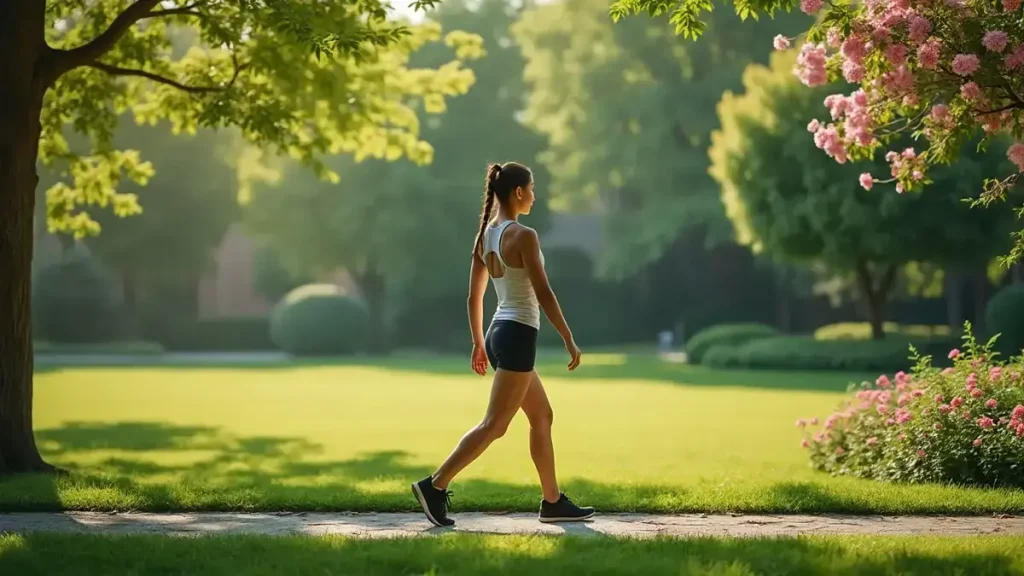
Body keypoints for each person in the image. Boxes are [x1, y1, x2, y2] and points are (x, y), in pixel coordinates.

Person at [411, 161, 595, 527]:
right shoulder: (523, 235)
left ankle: (552, 501)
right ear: (518, 192)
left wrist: (480, 344)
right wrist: (569, 338)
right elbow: (543, 292)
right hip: (517, 334)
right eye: (532, 188)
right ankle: (434, 485)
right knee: (495, 425)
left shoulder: (485, 235)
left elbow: (473, 297)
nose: (535, 195)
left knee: (541, 416)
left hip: (499, 332)